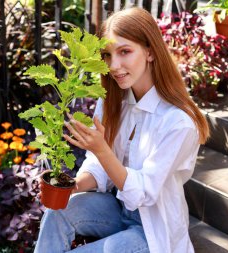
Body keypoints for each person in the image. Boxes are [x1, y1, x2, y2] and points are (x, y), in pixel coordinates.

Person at [34, 7, 209, 253]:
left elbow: (144, 194)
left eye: (125, 51)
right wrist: (72, 185)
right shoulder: (113, 102)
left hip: (153, 231)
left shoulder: (177, 122)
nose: (114, 65)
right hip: (116, 208)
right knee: (57, 213)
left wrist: (102, 149)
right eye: (107, 55)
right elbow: (98, 165)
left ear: (150, 51)